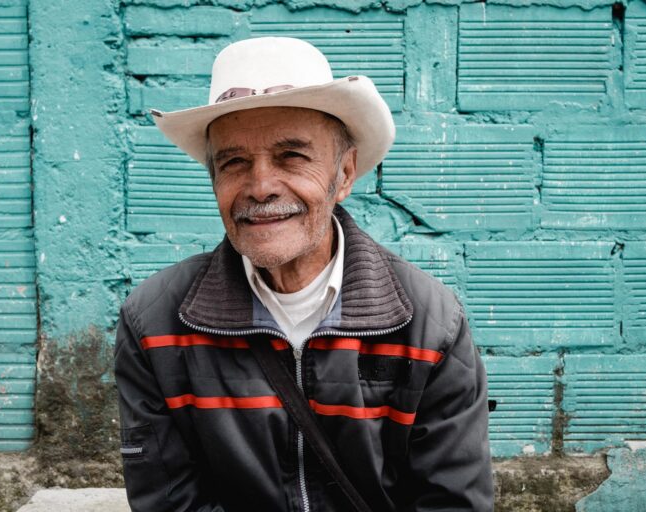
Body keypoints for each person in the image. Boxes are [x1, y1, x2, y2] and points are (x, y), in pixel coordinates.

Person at [114, 36, 493, 512]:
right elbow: (170, 502)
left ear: (345, 173)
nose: (261, 186)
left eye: (292, 156)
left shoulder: (429, 324)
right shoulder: (155, 324)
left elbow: (453, 503)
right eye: (234, 162)